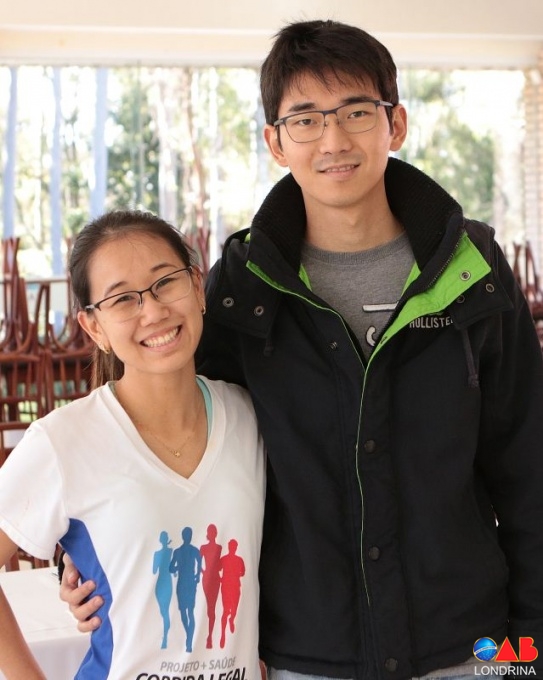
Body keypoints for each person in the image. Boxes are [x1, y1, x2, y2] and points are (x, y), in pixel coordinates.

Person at [60, 19, 543, 680]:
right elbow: (171, 433)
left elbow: (526, 462)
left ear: (396, 123)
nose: (333, 140)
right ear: (275, 142)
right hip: (308, 654)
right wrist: (85, 555)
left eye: (356, 111)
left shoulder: (472, 269)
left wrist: (530, 644)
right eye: (306, 119)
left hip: (470, 646)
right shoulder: (243, 287)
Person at [0, 210, 265, 679]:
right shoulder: (63, 442)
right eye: (123, 298)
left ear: (197, 286)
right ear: (94, 327)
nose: (153, 311)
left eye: (165, 282)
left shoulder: (250, 418)